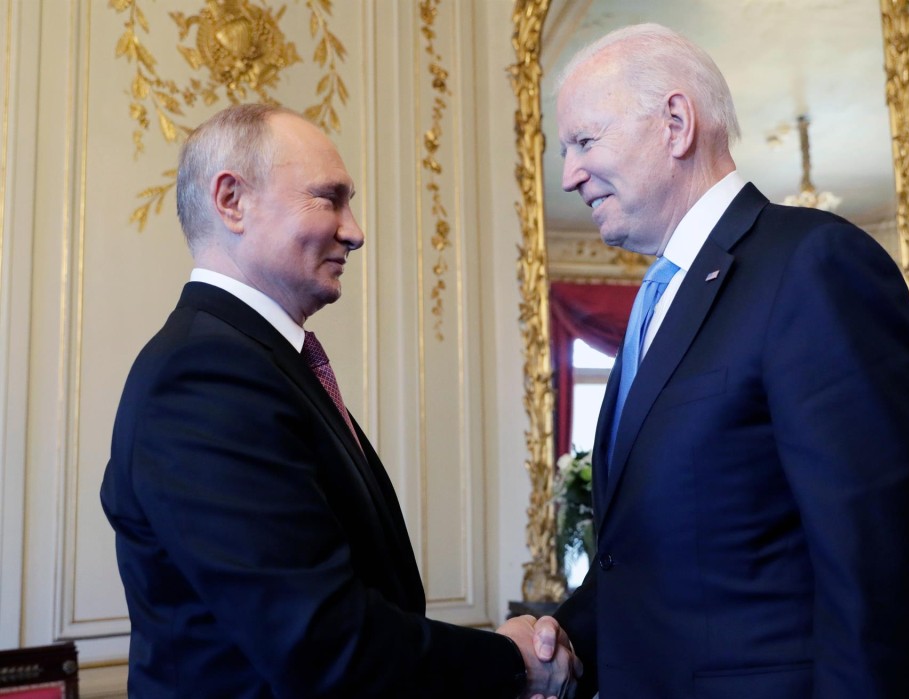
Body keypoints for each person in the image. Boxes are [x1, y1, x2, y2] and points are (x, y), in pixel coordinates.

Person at [100, 103, 579, 698]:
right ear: (232, 201)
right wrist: (511, 661)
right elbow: (321, 642)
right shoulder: (206, 375)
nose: (355, 231)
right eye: (329, 199)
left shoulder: (258, 361)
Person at [548, 23, 909, 697]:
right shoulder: (659, 298)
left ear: (675, 122)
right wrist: (558, 640)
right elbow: (651, 556)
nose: (568, 175)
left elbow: (884, 573)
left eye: (584, 141)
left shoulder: (815, 264)